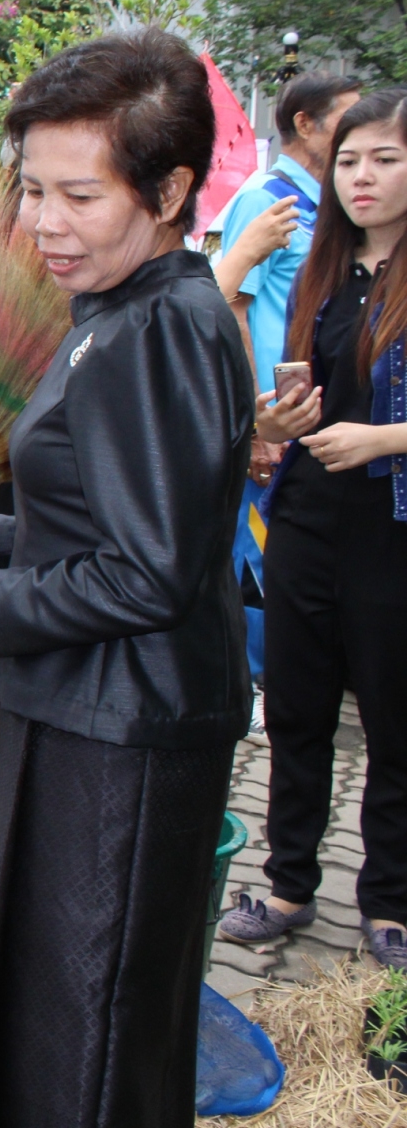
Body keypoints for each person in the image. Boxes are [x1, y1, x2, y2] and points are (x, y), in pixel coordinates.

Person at [0, 28, 252, 1128]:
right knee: (57, 1013)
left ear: (167, 190)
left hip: (129, 736)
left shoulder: (163, 329)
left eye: (75, 195)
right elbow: (112, 520)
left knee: (89, 1038)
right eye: (31, 190)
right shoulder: (115, 309)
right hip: (86, 712)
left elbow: (149, 574)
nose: (42, 224)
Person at [217, 87, 407, 969]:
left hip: (391, 527)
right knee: (295, 709)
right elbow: (301, 387)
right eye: (351, 160)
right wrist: (274, 420)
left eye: (385, 159)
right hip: (303, 515)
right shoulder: (325, 265)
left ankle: (389, 902)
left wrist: (384, 437)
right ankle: (290, 883)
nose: (362, 177)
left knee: (392, 717)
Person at [212, 73, 362, 691]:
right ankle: (246, 683)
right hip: (272, 419)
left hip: (312, 418)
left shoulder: (334, 204)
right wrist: (255, 422)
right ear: (304, 123)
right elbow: (234, 308)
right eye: (345, 125)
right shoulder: (268, 200)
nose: (355, 148)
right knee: (258, 558)